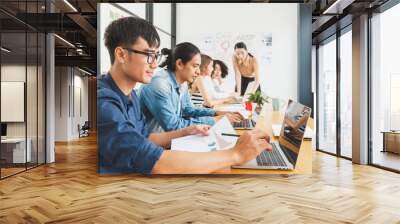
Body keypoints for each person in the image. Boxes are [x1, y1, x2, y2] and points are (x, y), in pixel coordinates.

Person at [98, 16, 272, 174]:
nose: (154, 64)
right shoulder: (104, 102)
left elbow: (146, 137)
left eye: (156, 56)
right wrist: (235, 154)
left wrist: (187, 131)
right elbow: (154, 161)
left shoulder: (130, 96)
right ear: (121, 54)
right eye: (149, 55)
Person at [139, 43, 243, 133]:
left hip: (172, 140)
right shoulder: (160, 84)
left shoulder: (182, 83)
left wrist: (216, 113)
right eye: (195, 66)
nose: (198, 72)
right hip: (154, 146)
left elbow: (187, 110)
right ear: (179, 64)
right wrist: (215, 120)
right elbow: (173, 126)